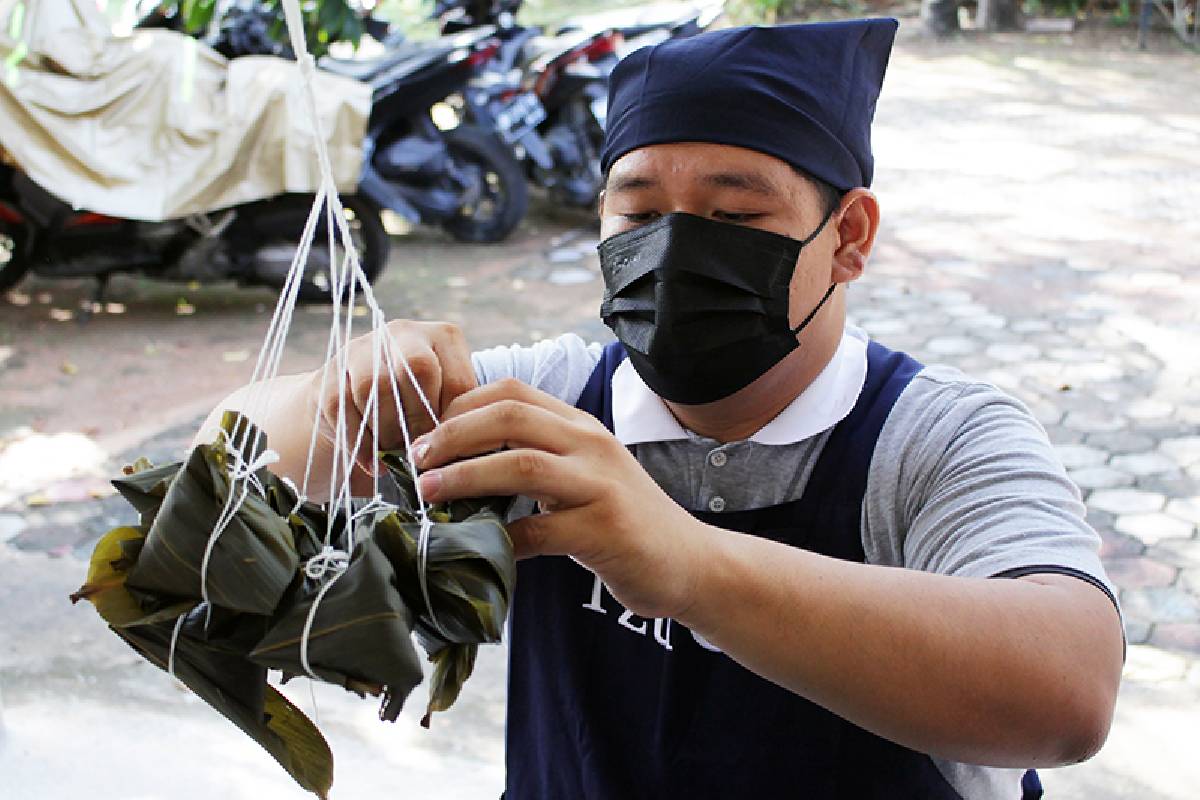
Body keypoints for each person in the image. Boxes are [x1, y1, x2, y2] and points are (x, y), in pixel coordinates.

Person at [198, 18, 1123, 799]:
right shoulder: (547, 405)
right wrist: (333, 399)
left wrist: (685, 563)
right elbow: (223, 468)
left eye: (736, 219)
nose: (675, 252)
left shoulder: (936, 439)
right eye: (637, 218)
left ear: (847, 238)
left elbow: (1067, 692)